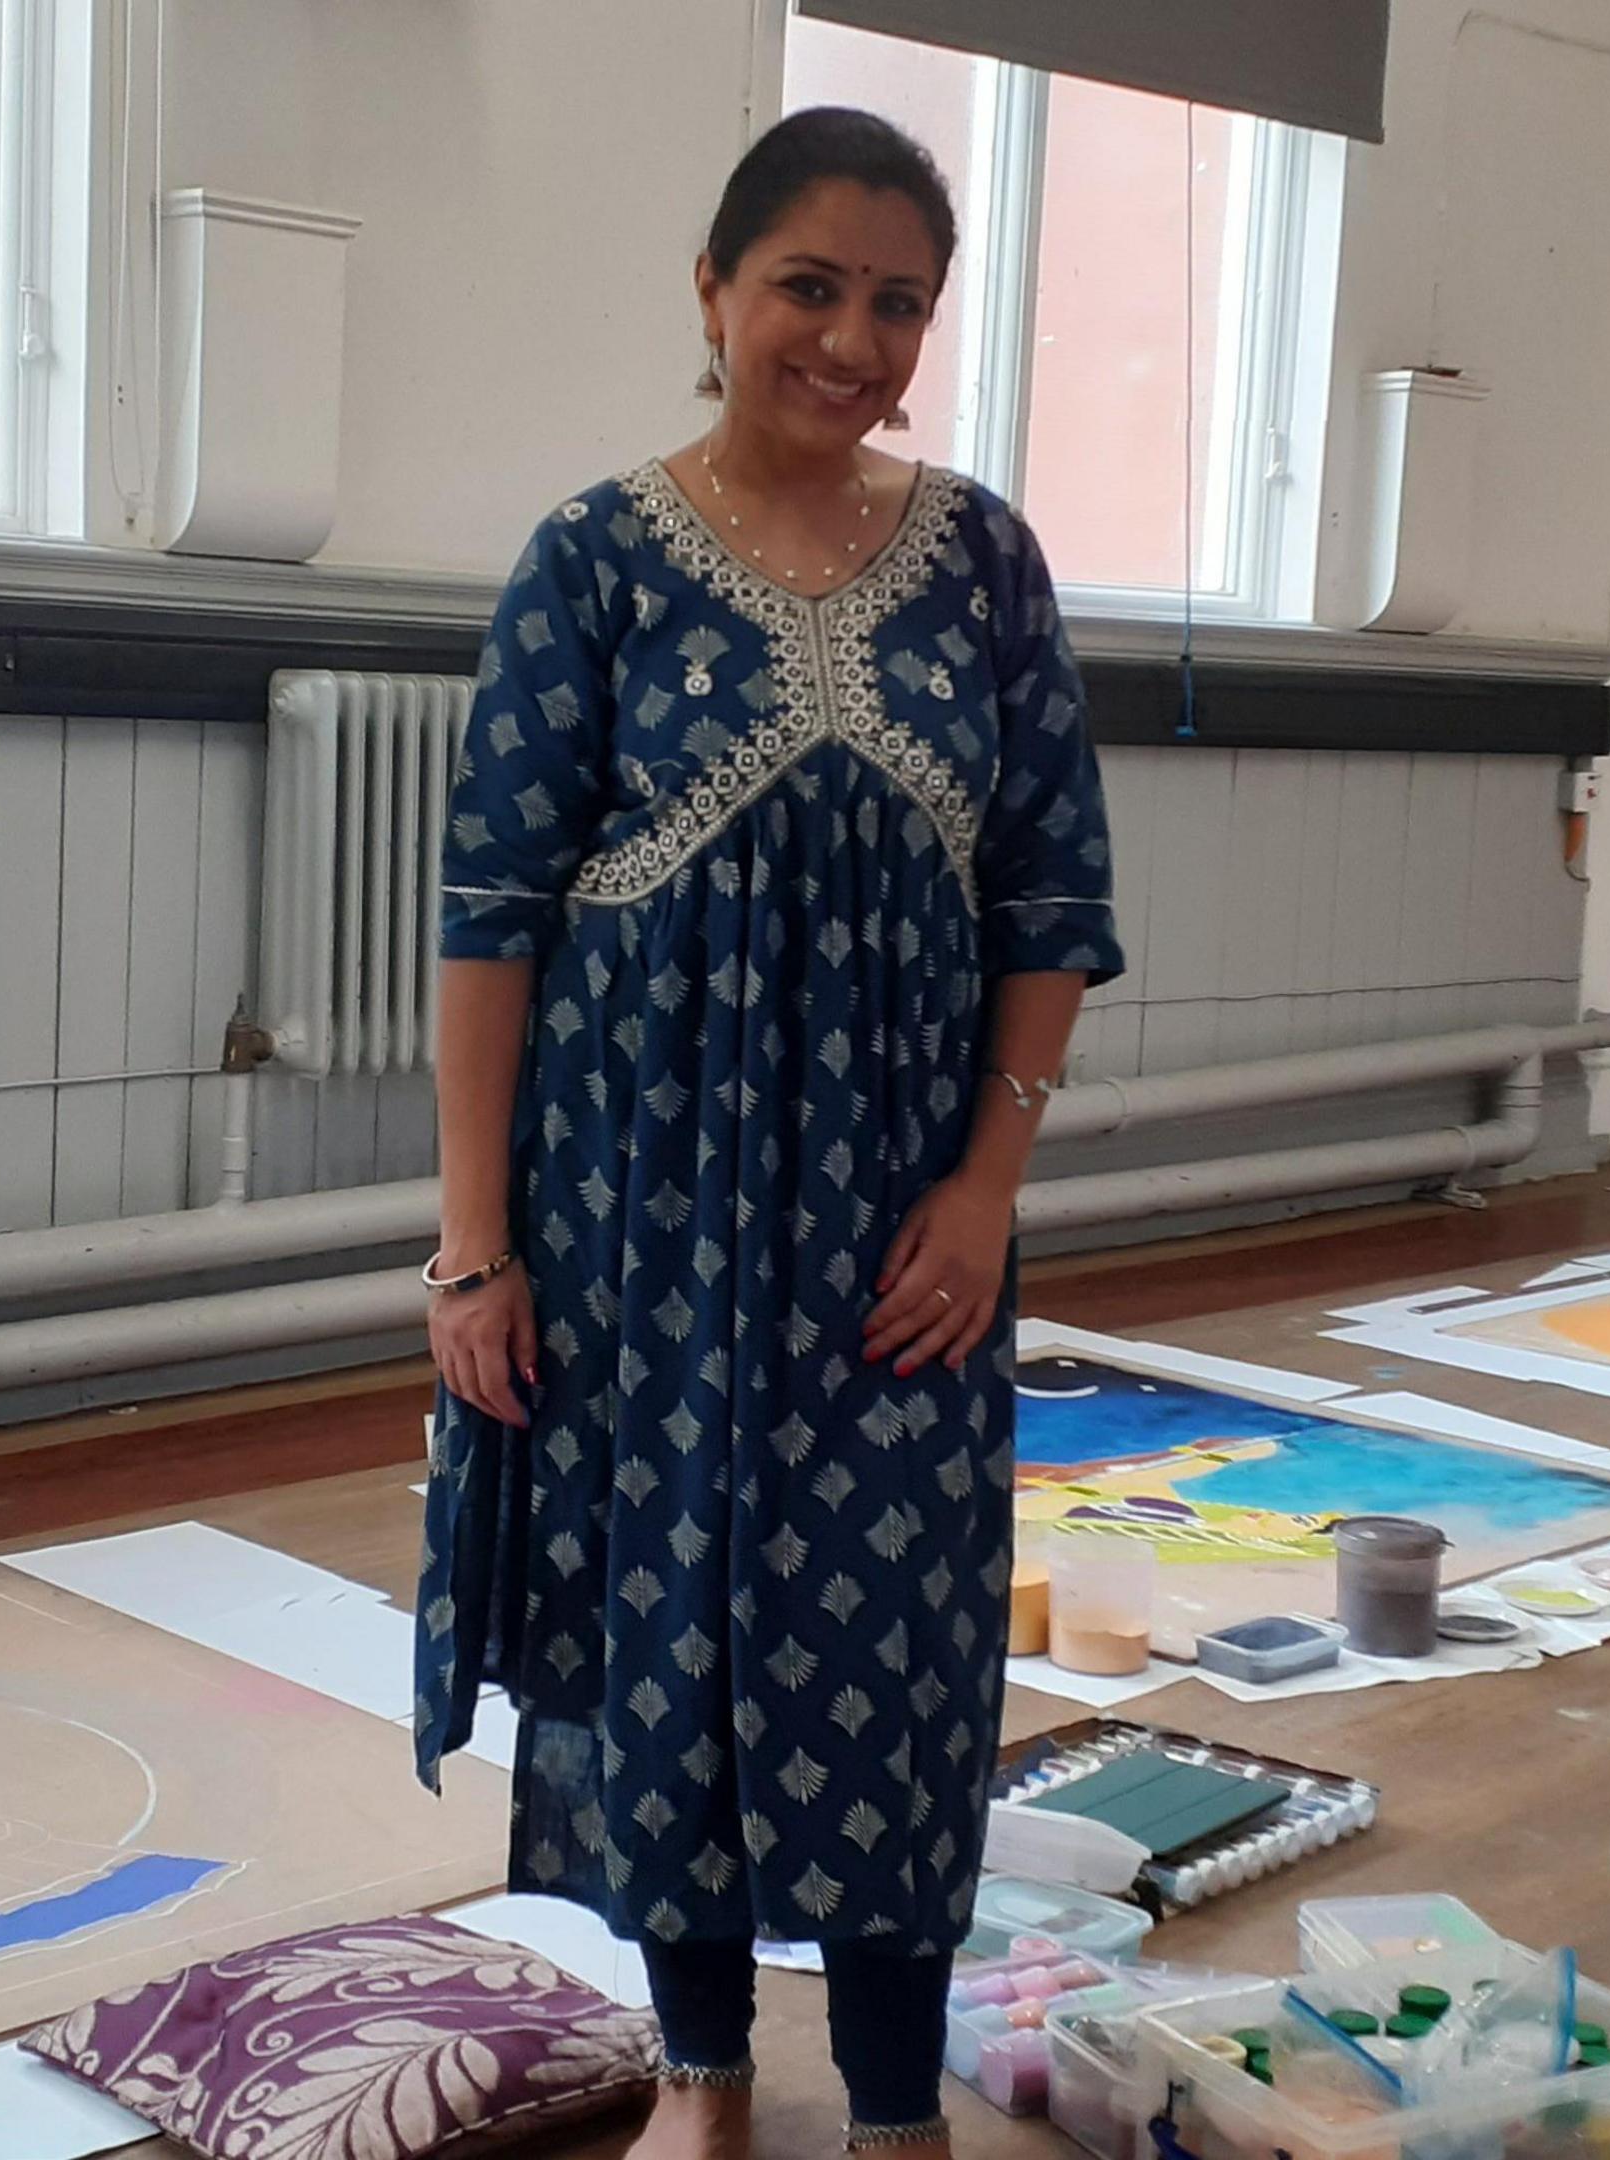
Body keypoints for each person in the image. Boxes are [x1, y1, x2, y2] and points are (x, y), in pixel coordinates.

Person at [411, 104, 1123, 2160]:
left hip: (901, 1236)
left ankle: (894, 2113)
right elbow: (491, 925)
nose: (855, 337)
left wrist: (990, 1192)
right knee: (671, 1643)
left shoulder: (983, 559)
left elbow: (1049, 911)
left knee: (897, 1661)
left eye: (901, 301)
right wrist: (475, 1247)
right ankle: (708, 2079)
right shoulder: (596, 560)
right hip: (635, 1219)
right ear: (713, 292)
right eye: (811, 285)